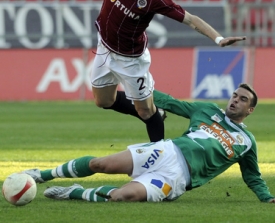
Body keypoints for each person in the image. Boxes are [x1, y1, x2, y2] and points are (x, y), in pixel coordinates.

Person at [87, 0, 246, 142]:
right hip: (105, 47)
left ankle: (160, 157)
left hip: (131, 60)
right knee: (104, 101)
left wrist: (218, 39)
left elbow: (191, 19)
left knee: (146, 113)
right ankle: (155, 111)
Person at [23, 83, 275, 203]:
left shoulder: (246, 142)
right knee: (102, 164)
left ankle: (74, 192)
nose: (234, 101)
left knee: (123, 196)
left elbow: (252, 176)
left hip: (178, 178)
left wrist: (266, 198)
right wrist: (139, 90)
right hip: (167, 151)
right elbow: (172, 102)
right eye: (234, 96)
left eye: (242, 100)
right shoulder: (208, 110)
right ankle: (41, 175)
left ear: (250, 109)